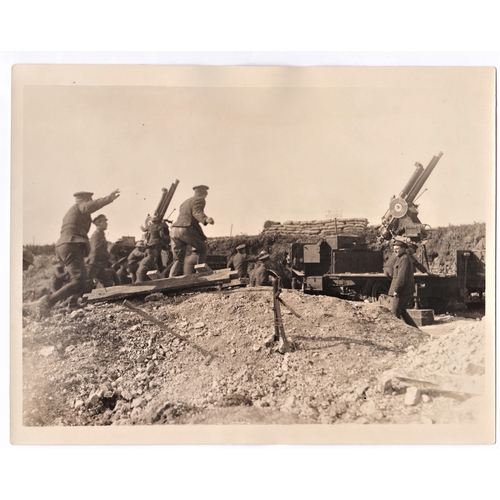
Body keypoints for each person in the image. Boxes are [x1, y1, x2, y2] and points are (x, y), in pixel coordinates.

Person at [37, 189, 120, 314]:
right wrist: (109, 198)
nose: (91, 202)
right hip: (71, 244)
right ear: (86, 200)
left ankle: (66, 303)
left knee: (79, 280)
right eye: (90, 200)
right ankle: (48, 302)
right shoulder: (80, 206)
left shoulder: (74, 211)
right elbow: (89, 206)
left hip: (67, 245)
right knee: (80, 280)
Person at [169, 185, 214, 277]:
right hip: (184, 228)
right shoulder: (199, 199)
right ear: (203, 193)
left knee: (178, 259)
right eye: (206, 195)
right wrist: (206, 219)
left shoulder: (185, 202)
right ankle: (200, 275)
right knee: (202, 249)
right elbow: (196, 212)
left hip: (174, 230)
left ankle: (171, 278)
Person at [388, 240, 417, 326]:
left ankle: (396, 334)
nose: (395, 251)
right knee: (403, 312)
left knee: (394, 313)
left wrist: (397, 290)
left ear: (403, 249)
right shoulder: (401, 258)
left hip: (401, 291)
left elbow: (402, 276)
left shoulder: (404, 259)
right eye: (394, 249)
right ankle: (416, 331)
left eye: (397, 249)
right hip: (403, 290)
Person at [86, 214, 119, 288]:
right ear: (98, 223)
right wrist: (109, 255)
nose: (106, 223)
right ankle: (73, 299)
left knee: (107, 282)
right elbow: (97, 250)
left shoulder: (101, 234)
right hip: (93, 264)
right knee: (86, 283)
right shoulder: (96, 235)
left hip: (98, 264)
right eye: (104, 222)